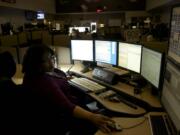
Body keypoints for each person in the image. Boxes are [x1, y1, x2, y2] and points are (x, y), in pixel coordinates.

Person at [22, 44, 115, 135]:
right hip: (65, 118)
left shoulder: (31, 75)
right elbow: (68, 107)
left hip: (52, 115)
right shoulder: (44, 82)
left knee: (88, 98)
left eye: (51, 58)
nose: (51, 62)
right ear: (36, 63)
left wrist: (63, 79)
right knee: (106, 113)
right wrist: (92, 117)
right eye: (47, 60)